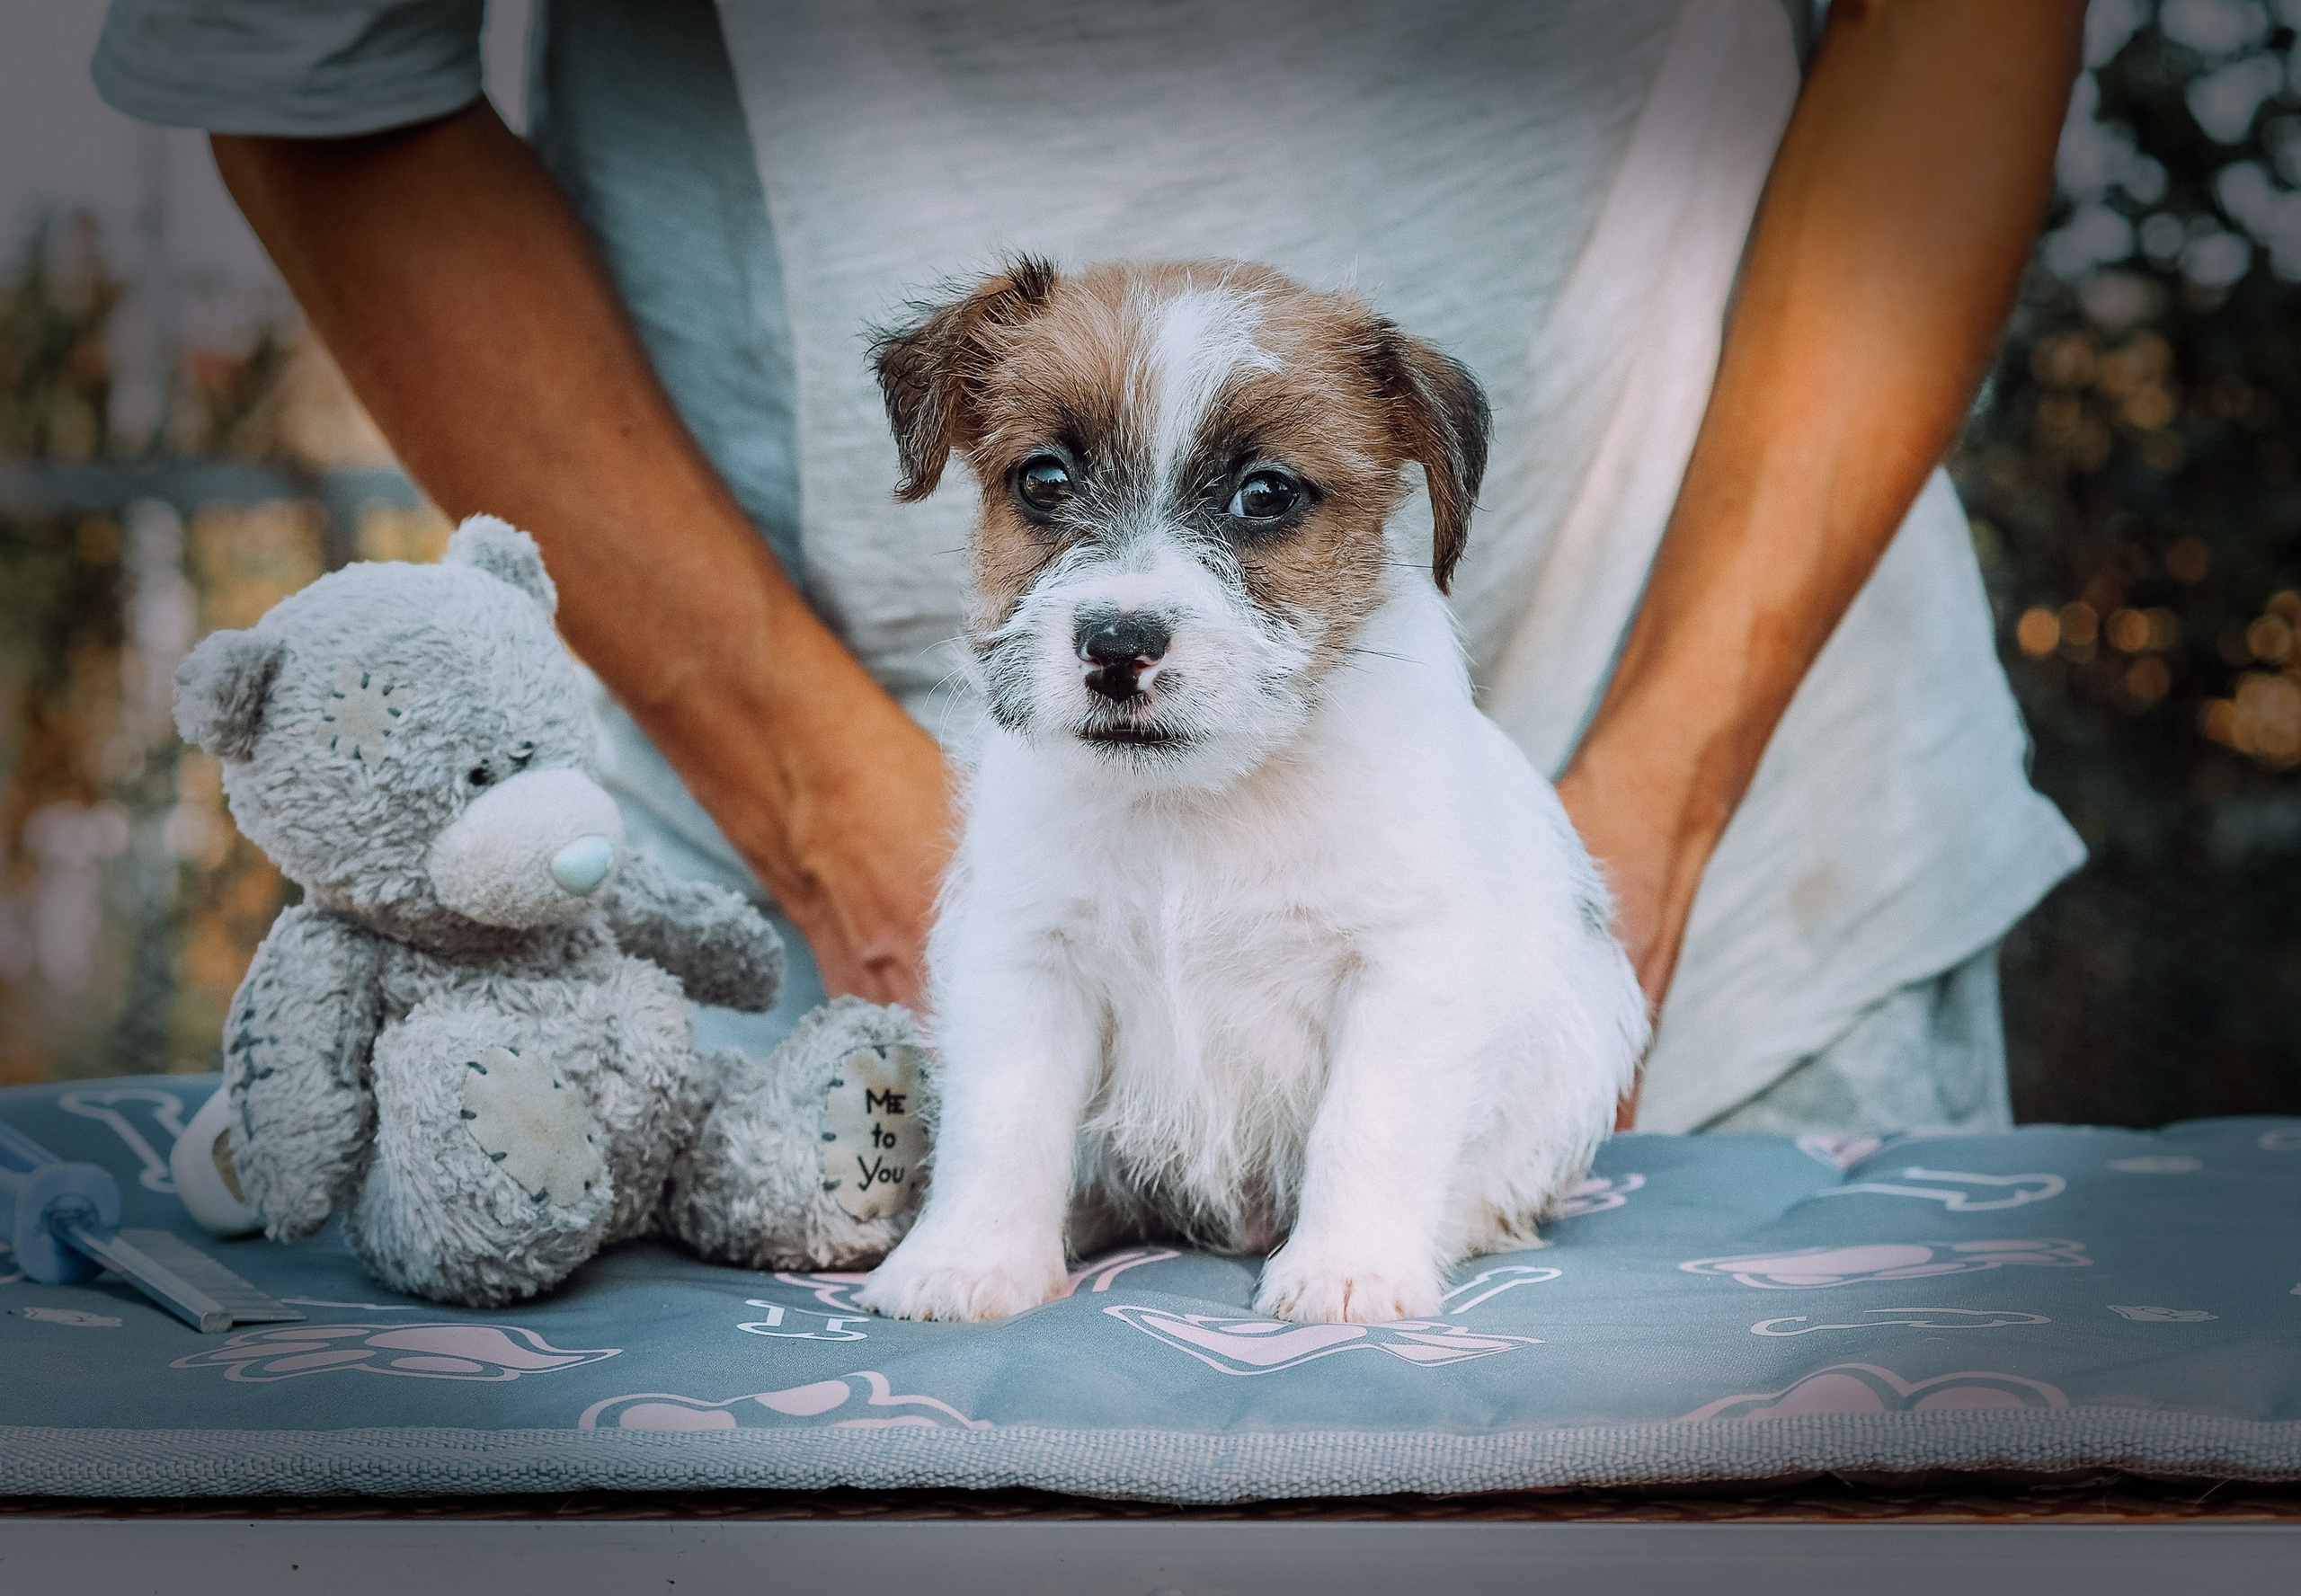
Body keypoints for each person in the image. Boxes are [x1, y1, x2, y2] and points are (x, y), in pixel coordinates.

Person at [95, 0, 2087, 1134]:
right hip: (777, 871)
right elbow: (302, 64)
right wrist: (824, 816)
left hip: (1717, 836)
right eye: (1035, 481)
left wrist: (1642, 819)